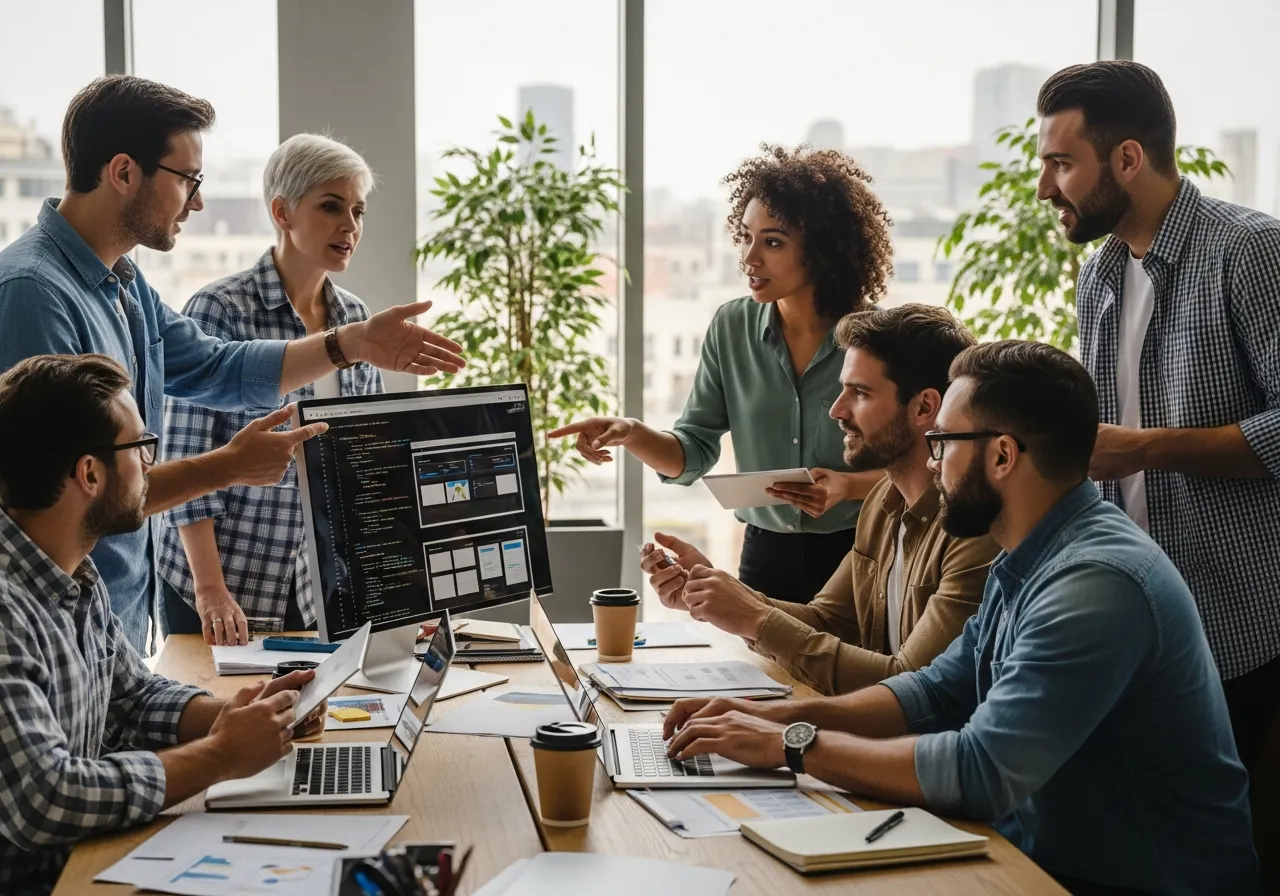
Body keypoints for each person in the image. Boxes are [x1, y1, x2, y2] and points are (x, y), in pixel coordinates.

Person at [661, 341, 1259, 894]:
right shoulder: (1032, 551)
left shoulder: (1096, 582)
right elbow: (933, 690)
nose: (934, 460)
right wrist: (776, 715)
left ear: (1001, 455)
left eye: (944, 443)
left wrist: (790, 743)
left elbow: (981, 768)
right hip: (1034, 859)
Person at [0, 75, 465, 653]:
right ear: (123, 173)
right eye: (188, 180)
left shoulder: (122, 282)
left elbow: (216, 367)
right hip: (49, 629)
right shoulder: (31, 292)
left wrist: (351, 344)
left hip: (113, 615)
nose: (196, 201)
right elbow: (60, 496)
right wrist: (228, 468)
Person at [0, 354, 329, 896]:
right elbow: (47, 798)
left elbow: (129, 699)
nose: (152, 466)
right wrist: (221, 754)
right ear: (89, 473)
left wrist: (236, 714)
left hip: (85, 863)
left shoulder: (73, 571)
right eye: (140, 448)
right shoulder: (9, 608)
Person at [1035, 61, 1280, 769]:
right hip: (1130, 616)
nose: (1047, 186)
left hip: (1236, 630)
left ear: (1128, 159)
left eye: (1061, 163)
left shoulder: (1250, 251)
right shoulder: (1100, 271)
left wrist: (1144, 449)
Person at [552, 145, 894, 603]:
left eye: (773, 242)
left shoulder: (878, 339)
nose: (750, 258)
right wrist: (632, 433)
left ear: (823, 251)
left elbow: (927, 467)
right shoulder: (731, 327)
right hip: (764, 553)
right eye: (747, 237)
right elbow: (692, 450)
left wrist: (848, 487)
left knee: (853, 674)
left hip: (863, 551)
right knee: (761, 673)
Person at [639, 304, 997, 695]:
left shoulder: (971, 527)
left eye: (860, 393)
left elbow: (912, 687)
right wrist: (714, 592)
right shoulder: (883, 501)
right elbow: (826, 619)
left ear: (924, 407)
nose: (836, 410)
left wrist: (753, 617)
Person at [158, 134, 386, 644]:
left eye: (358, 210)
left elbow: (364, 468)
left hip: (308, 585)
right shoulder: (219, 310)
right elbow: (183, 459)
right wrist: (211, 588)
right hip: (215, 583)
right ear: (282, 212)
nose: (349, 226)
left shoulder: (357, 320)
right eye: (331, 206)